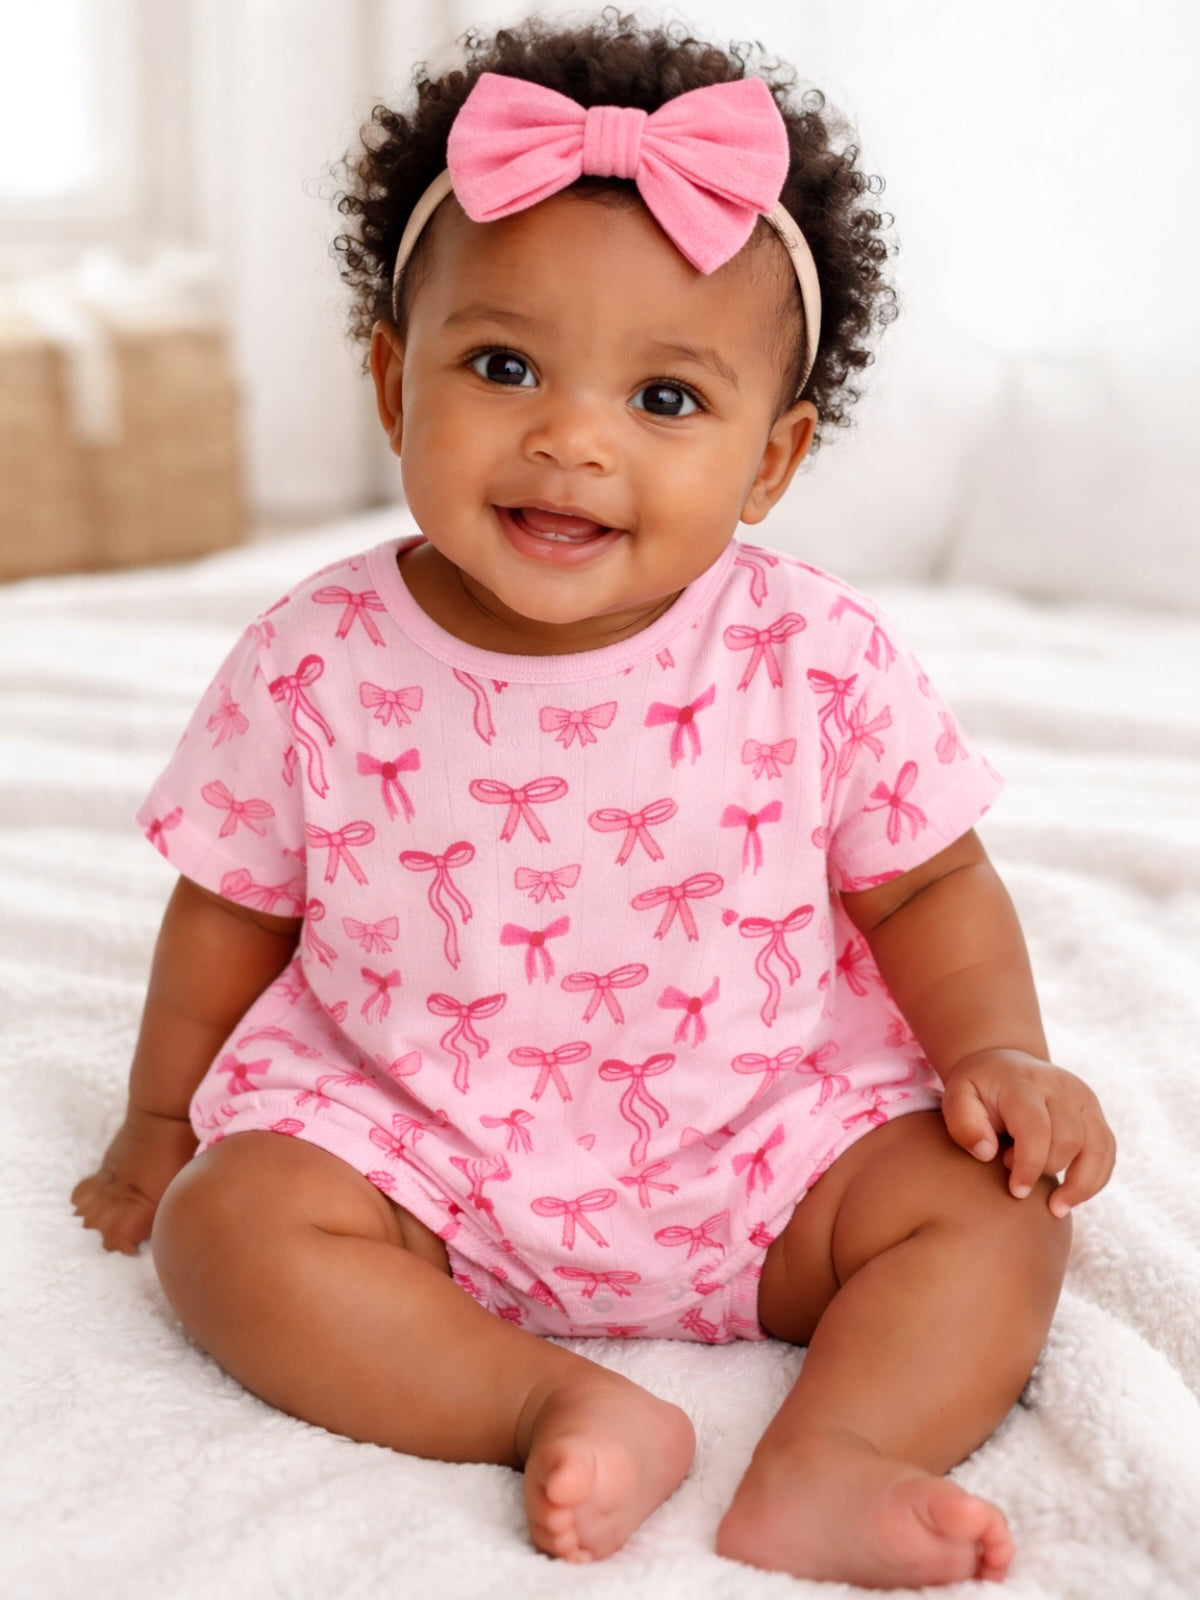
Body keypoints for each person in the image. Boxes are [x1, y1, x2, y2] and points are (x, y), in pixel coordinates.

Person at [72, 13, 1116, 1588]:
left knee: (997, 1210)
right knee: (226, 1228)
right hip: (418, 1150)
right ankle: (545, 1400)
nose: (570, 439)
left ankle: (835, 1458)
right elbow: (231, 902)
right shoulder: (315, 656)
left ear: (772, 461)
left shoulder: (812, 653)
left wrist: (997, 1054)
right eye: (503, 367)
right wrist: (161, 1123)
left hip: (771, 1147)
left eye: (667, 400)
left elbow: (927, 883)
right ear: (391, 380)